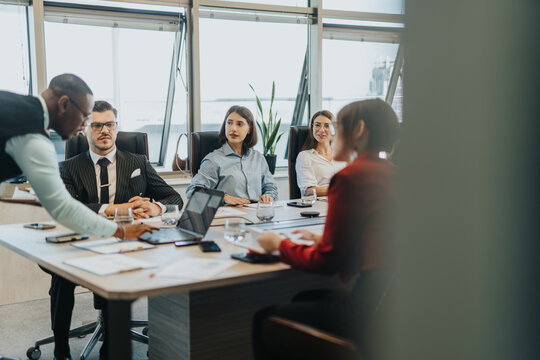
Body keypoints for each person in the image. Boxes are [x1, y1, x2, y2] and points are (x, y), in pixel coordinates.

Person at [0, 74, 154, 360]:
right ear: (64, 104)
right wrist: (120, 231)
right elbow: (62, 208)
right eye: (84, 117)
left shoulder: (11, 101)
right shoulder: (34, 135)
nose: (84, 126)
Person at [253, 99, 399, 359]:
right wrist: (321, 238)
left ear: (359, 130)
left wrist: (280, 245)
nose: (331, 133)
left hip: (364, 308)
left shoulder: (350, 177)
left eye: (337, 126)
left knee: (264, 318)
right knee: (303, 298)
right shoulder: (395, 173)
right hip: (390, 306)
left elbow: (328, 261)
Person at [46, 100, 184, 360]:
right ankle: (61, 347)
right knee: (61, 273)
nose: (104, 130)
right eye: (97, 125)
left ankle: (111, 345)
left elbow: (174, 198)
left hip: (131, 243)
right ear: (85, 130)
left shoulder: (138, 162)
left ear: (117, 128)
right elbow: (68, 207)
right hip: (85, 243)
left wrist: (155, 207)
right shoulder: (68, 167)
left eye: (109, 124)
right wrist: (115, 209)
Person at [186, 105, 278, 205]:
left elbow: (271, 188)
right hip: (229, 216)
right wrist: (224, 198)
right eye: (229, 123)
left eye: (239, 124)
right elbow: (193, 191)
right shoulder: (214, 160)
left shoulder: (258, 158)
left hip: (257, 214)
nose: (233, 128)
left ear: (249, 129)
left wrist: (268, 196)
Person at [295, 110, 347, 196]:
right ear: (312, 128)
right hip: (319, 204)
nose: (322, 130)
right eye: (317, 125)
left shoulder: (342, 154)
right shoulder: (305, 156)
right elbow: (308, 190)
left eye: (327, 126)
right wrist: (339, 191)